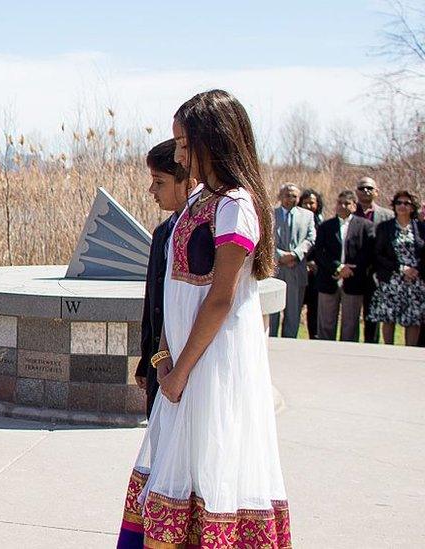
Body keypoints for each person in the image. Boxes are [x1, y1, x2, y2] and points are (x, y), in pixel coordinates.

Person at [116, 90, 290, 548]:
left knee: (212, 473)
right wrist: (163, 360)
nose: (177, 153)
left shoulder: (235, 204)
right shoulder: (197, 204)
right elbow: (173, 296)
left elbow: (220, 298)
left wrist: (180, 371)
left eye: (184, 142)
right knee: (176, 478)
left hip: (210, 369)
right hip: (181, 368)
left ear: (211, 142)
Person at [135, 139, 192, 418]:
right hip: (160, 367)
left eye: (159, 182)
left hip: (185, 370)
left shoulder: (199, 236)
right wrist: (148, 360)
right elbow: (153, 304)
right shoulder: (161, 234)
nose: (152, 191)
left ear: (187, 182)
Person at [310, 190, 374, 342]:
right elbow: (319, 252)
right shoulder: (326, 226)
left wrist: (350, 269)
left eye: (347, 203)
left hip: (354, 280)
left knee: (350, 325)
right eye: (340, 203)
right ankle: (325, 355)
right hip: (328, 279)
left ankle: (347, 359)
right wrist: (338, 267)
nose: (343, 206)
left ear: (354, 206)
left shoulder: (365, 226)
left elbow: (368, 252)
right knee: (326, 324)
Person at [367, 191, 425, 345]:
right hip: (392, 278)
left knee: (413, 318)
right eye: (399, 203)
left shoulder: (421, 227)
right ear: (394, 206)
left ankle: (409, 353)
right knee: (389, 316)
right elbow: (378, 254)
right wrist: (401, 268)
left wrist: (415, 270)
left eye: (406, 203)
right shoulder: (385, 228)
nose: (402, 206)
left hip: (416, 280)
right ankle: (389, 351)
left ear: (412, 207)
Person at [269, 183, 315, 338]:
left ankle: (290, 345)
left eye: (294, 196)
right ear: (280, 196)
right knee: (272, 312)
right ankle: (271, 342)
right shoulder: (269, 214)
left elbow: (310, 238)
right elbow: (264, 238)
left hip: (296, 269)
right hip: (275, 269)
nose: (290, 199)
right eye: (287, 195)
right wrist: (280, 256)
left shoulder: (307, 216)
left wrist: (295, 254)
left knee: (293, 313)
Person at [354, 176, 394, 343]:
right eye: (362, 188)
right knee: (351, 315)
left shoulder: (387, 215)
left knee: (373, 314)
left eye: (370, 188)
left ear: (377, 192)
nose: (366, 191)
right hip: (354, 271)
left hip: (377, 273)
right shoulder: (348, 211)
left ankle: (372, 346)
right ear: (356, 192)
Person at [299, 189, 324, 338]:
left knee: (314, 309)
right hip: (298, 268)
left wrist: (314, 262)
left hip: (316, 273)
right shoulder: (297, 220)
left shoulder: (322, 223)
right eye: (305, 203)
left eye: (312, 203)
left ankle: (314, 337)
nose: (308, 206)